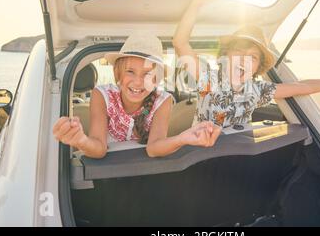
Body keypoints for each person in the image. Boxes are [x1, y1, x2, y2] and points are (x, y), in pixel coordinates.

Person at [173, 0, 320, 128]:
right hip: (200, 160)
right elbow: (180, 43)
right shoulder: (207, 78)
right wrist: (198, 2)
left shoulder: (258, 91)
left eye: (253, 57)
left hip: (236, 160)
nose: (244, 60)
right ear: (226, 56)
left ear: (257, 67)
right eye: (239, 51)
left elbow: (303, 86)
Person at [53, 33, 221, 158]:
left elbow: (154, 148)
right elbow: (99, 148)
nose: (138, 82)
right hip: (106, 168)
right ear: (118, 73)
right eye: (130, 72)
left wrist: (182, 138)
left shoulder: (163, 101)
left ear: (156, 80)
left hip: (141, 170)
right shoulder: (102, 95)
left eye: (148, 74)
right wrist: (80, 140)